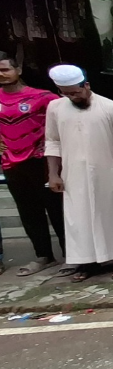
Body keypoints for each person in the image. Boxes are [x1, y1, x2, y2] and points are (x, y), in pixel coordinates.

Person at [44, 65, 113, 282]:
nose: (72, 97)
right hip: (73, 174)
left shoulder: (112, 108)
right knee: (78, 218)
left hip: (109, 172)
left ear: (86, 86)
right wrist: (53, 174)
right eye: (66, 93)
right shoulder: (55, 108)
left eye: (76, 92)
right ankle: (85, 261)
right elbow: (52, 141)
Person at [0, 53, 68, 277]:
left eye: (5, 69)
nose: (2, 75)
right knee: (28, 212)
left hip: (43, 161)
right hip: (11, 164)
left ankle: (71, 255)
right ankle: (43, 256)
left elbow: (63, 123)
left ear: (18, 69)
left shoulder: (43, 97)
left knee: (57, 209)